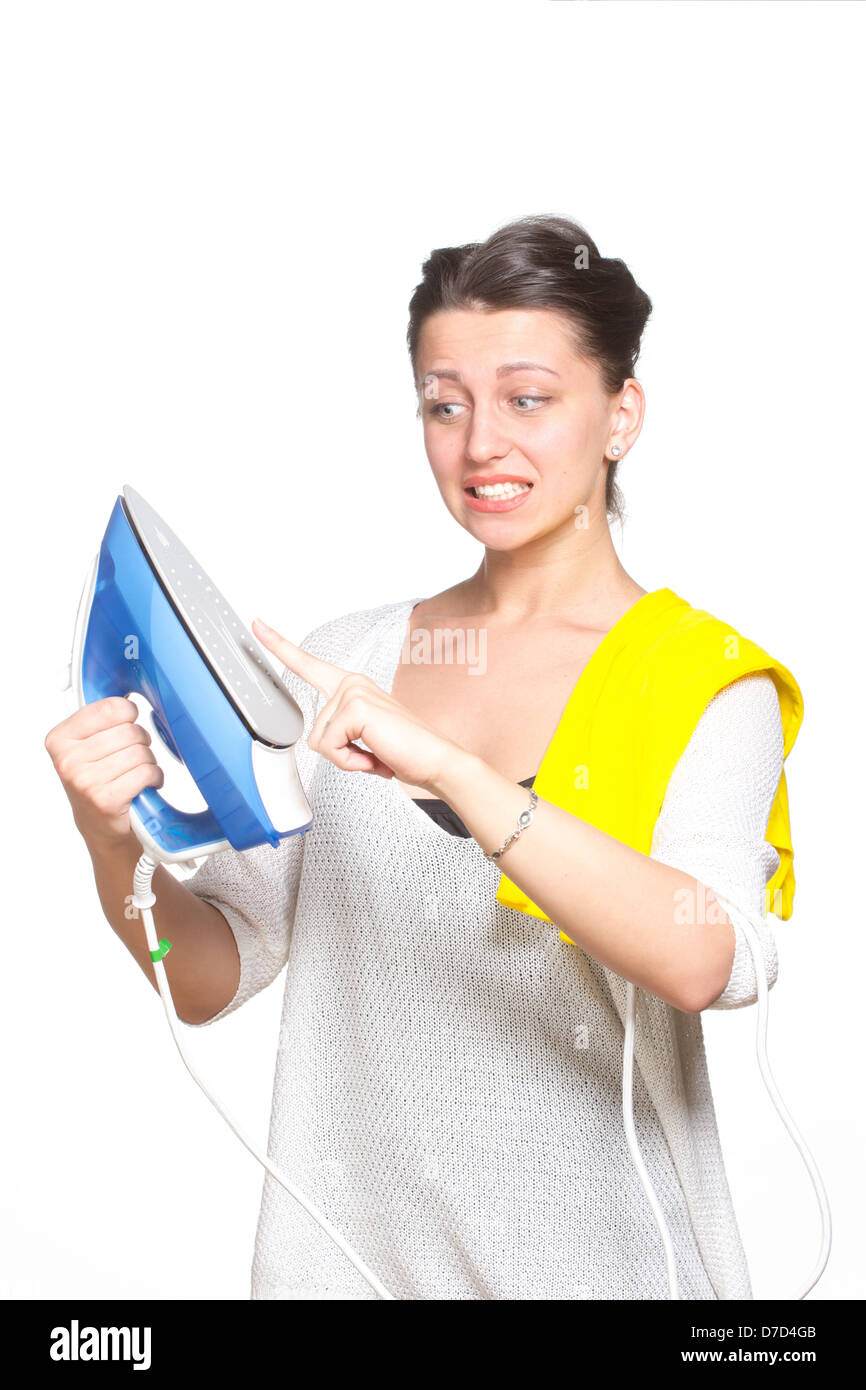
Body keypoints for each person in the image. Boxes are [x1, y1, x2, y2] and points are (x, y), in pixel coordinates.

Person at [45, 214, 791, 1300]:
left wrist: (453, 772)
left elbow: (705, 957)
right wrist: (113, 842)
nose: (480, 442)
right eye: (445, 404)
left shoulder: (702, 684)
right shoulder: (348, 661)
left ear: (619, 414)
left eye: (528, 398)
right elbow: (205, 978)